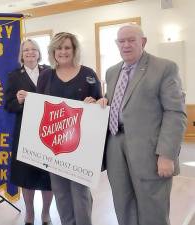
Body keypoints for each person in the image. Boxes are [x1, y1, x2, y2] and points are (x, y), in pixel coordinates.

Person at [96, 24, 187, 225]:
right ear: (116, 44)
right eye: (122, 41)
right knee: (123, 204)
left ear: (143, 42)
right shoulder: (112, 72)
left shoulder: (164, 67)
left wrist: (167, 154)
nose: (126, 45)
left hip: (150, 152)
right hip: (114, 148)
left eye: (131, 40)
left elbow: (175, 113)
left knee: (153, 210)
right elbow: (117, 102)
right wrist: (102, 102)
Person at [37, 32, 102, 225]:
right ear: (53, 51)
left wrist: (95, 102)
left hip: (81, 144)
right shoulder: (45, 76)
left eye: (67, 47)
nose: (63, 51)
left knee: (80, 192)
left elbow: (101, 103)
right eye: (59, 48)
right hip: (53, 145)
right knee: (61, 192)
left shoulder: (88, 74)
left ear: (74, 50)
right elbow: (39, 108)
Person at [4, 39, 53, 225]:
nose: (30, 52)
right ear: (21, 55)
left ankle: (46, 214)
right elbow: (8, 106)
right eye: (26, 50)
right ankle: (30, 214)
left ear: (39, 53)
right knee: (26, 175)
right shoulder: (14, 76)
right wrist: (18, 100)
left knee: (48, 175)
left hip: (49, 130)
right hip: (24, 131)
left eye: (34, 49)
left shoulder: (50, 72)